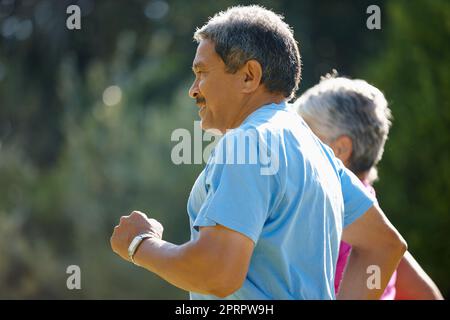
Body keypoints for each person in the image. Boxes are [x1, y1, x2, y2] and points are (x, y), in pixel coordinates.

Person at [110, 5, 407, 299]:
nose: (194, 89)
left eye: (202, 73)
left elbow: (218, 273)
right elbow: (383, 245)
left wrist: (141, 244)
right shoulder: (318, 151)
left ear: (249, 76)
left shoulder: (247, 142)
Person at [295, 73, 443, 300]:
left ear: (340, 150)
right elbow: (427, 295)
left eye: (305, 138)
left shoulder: (325, 211)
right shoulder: (370, 211)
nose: (294, 148)